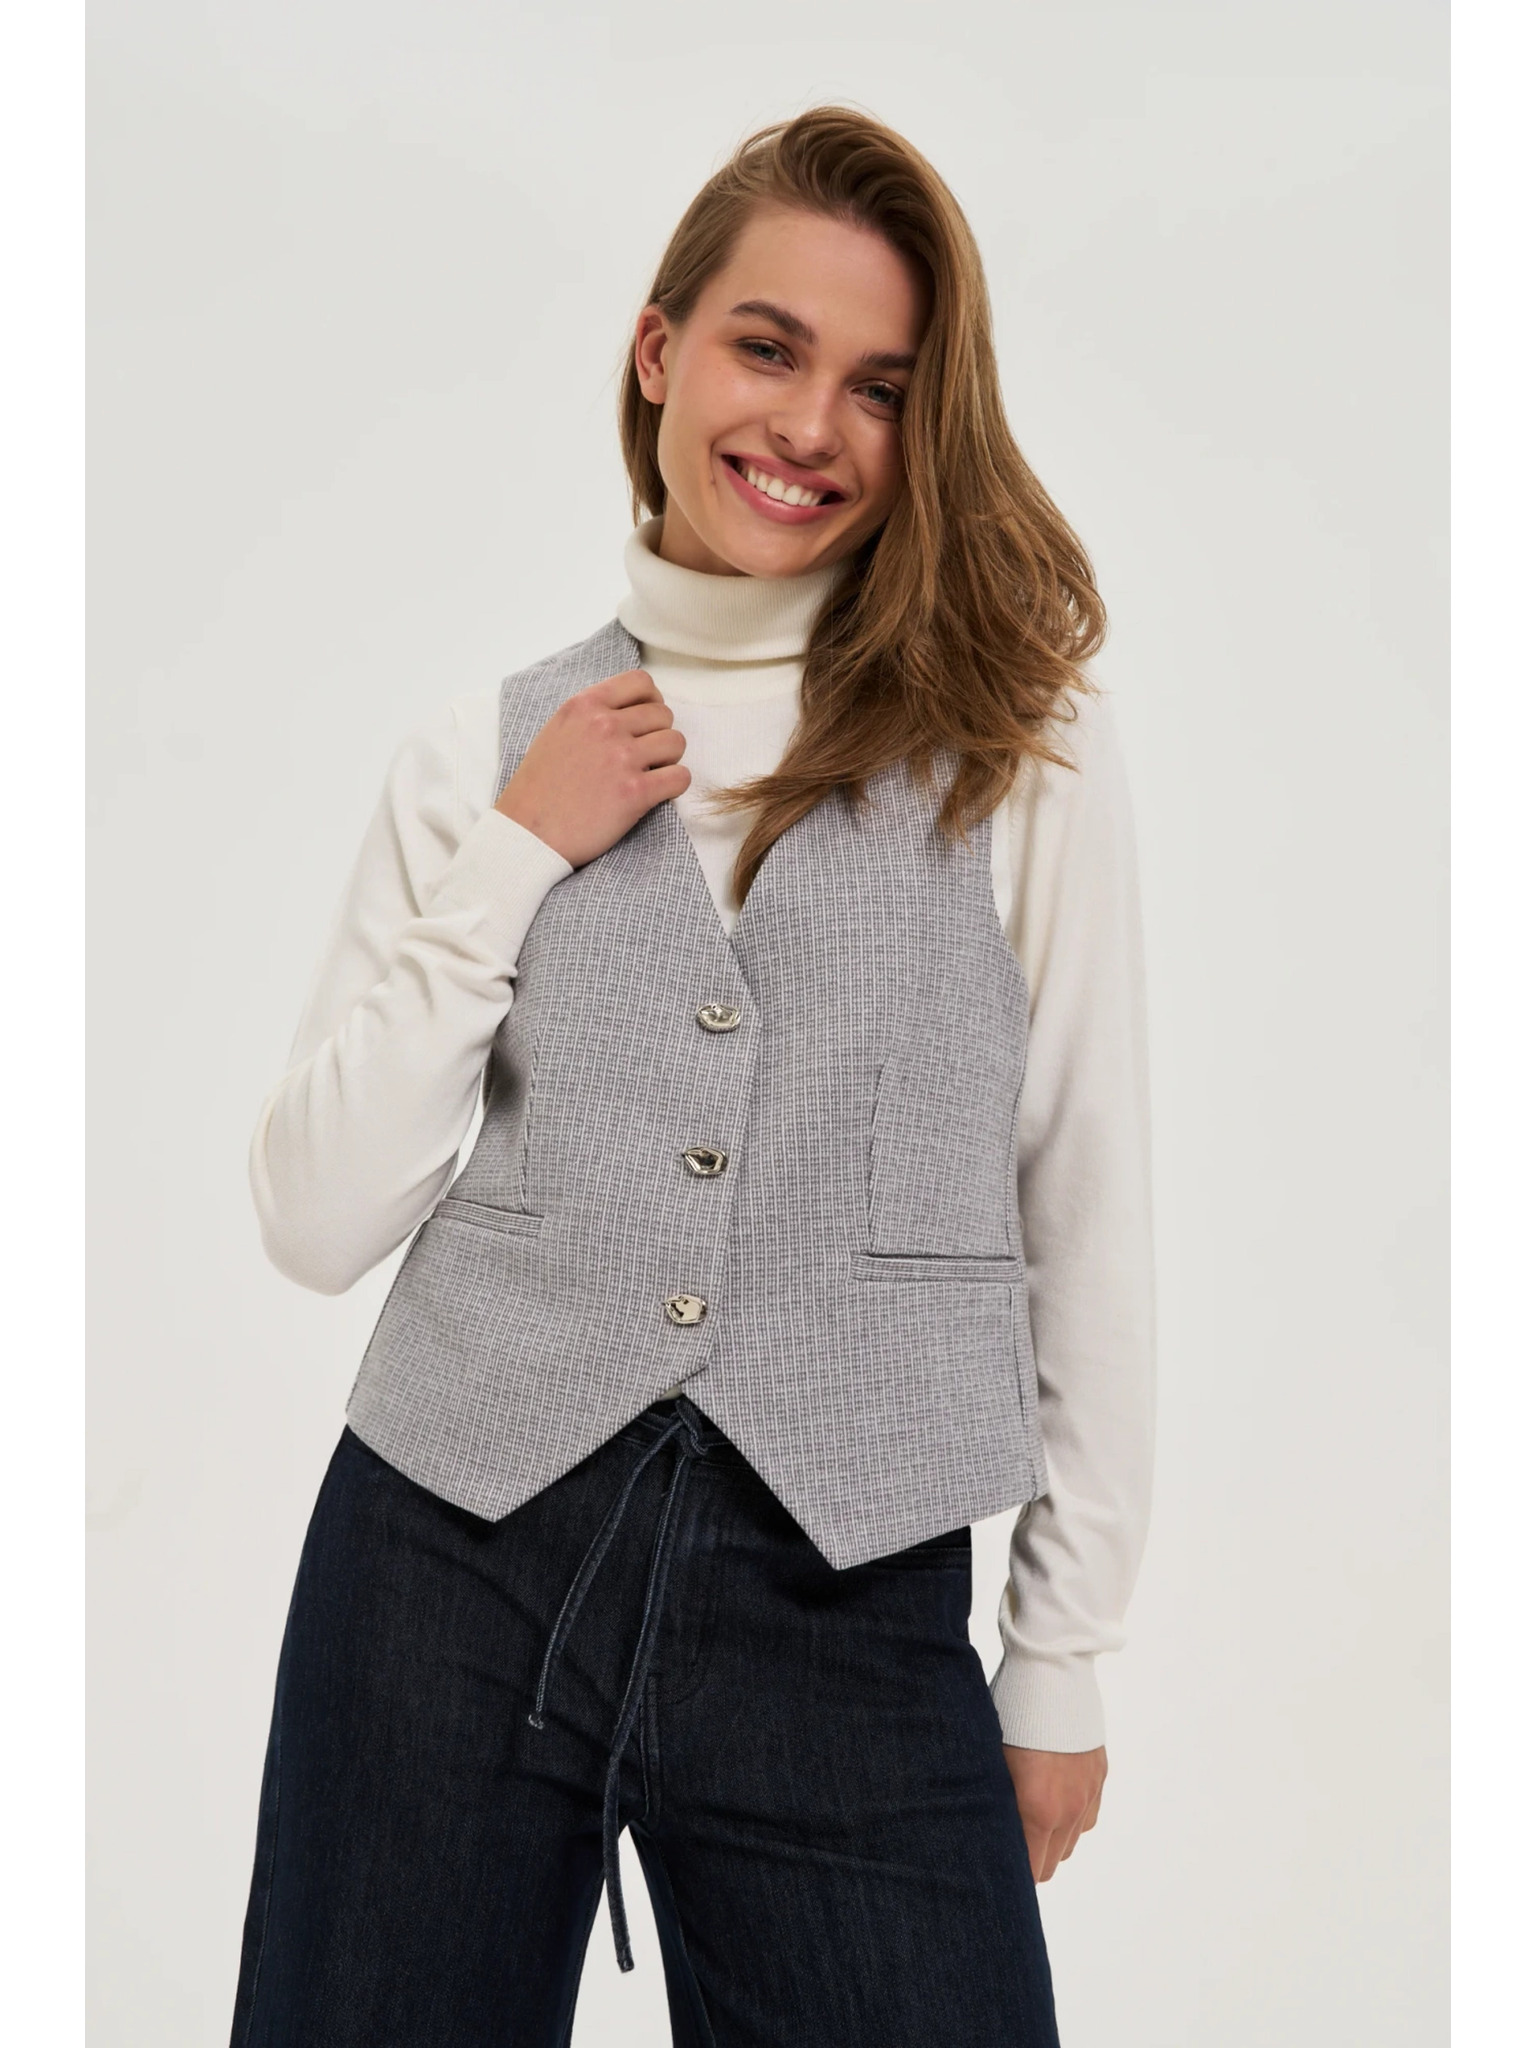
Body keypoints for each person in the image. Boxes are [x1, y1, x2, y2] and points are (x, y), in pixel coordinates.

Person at [229, 106, 1155, 2048]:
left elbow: (1085, 1206)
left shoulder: (1022, 760)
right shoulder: (477, 752)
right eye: (766, 346)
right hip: (450, 1569)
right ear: (659, 354)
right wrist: (516, 849)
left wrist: (1057, 1655)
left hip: (850, 1599)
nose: (813, 424)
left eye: (881, 385)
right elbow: (314, 1216)